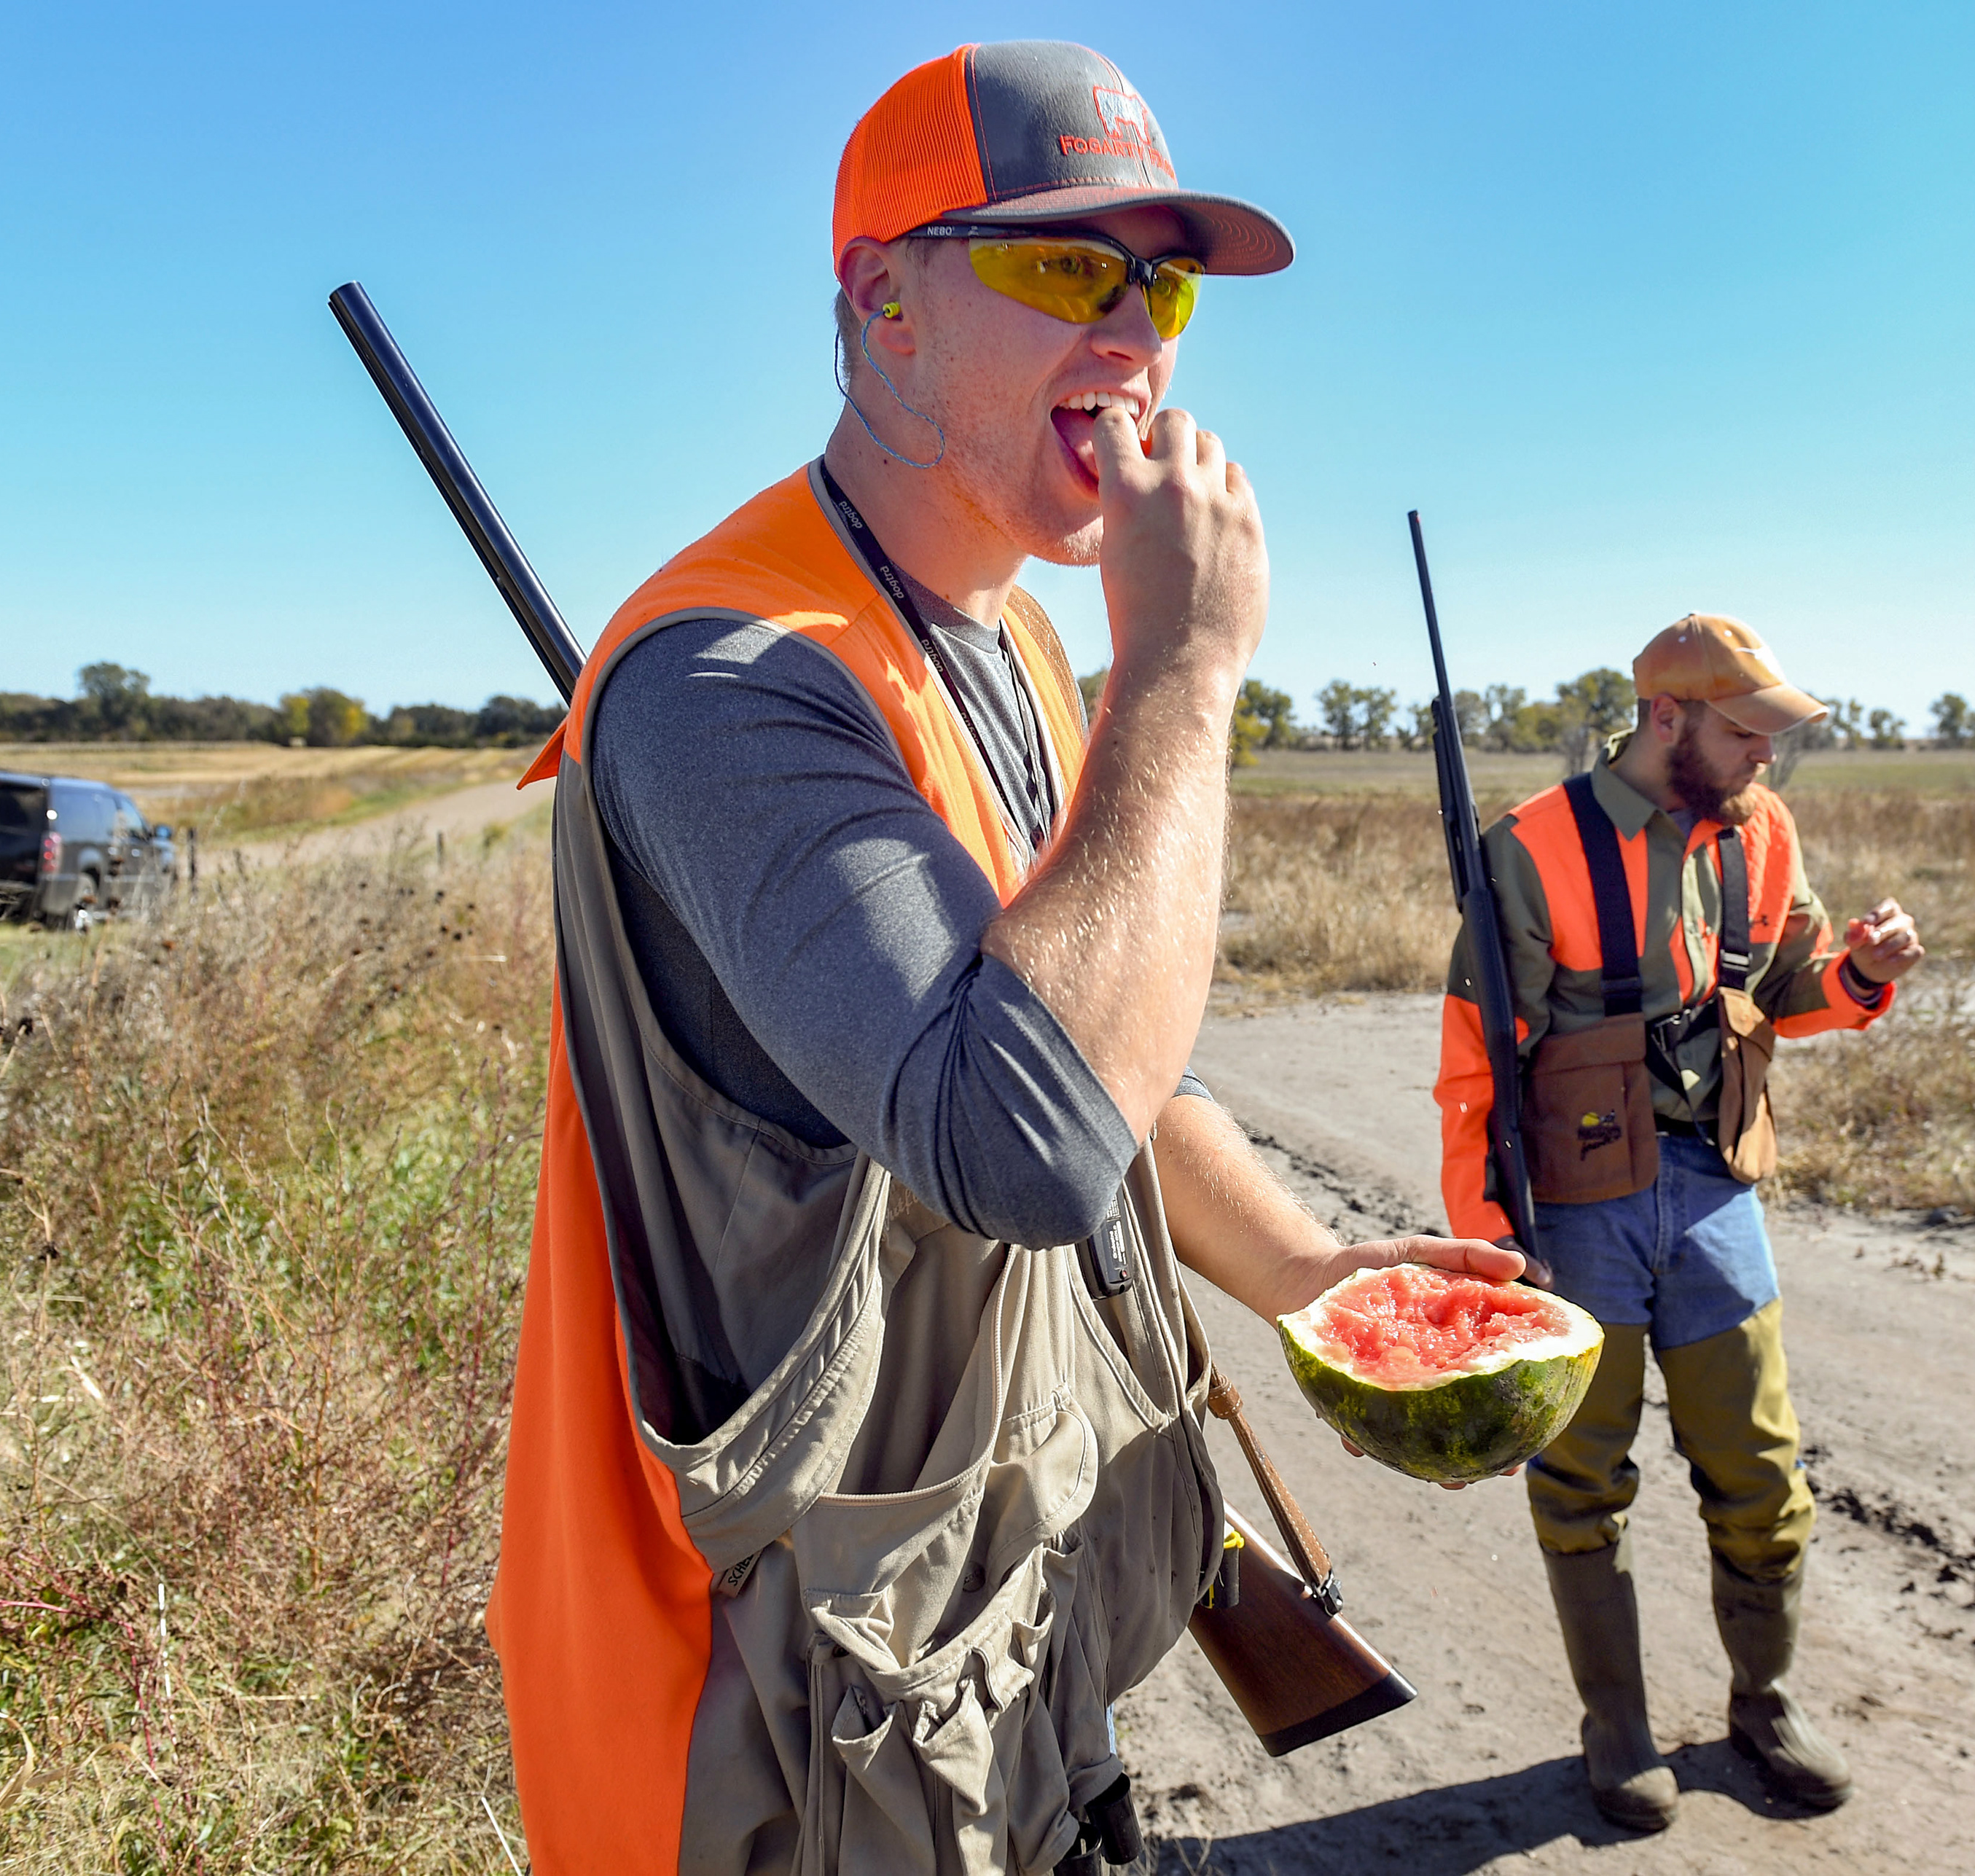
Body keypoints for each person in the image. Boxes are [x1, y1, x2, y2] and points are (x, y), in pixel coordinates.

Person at [487, 42, 1520, 1873]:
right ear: (883, 300)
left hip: (970, 1624)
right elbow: (1026, 1134)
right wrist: (1187, 670)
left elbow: (1117, 1061)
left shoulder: (1027, 651)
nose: (1132, 332)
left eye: (1165, 283)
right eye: (1064, 268)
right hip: (764, 1703)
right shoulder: (727, 684)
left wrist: (1305, 1272)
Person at [1433, 614, 1924, 1832]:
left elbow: (1787, 991)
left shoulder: (1761, 832)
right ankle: (1618, 1726)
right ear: (1667, 719)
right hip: (1582, 1203)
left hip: (1713, 1184)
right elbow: (1474, 1065)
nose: (1768, 755)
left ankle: (1764, 1702)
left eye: (1772, 735)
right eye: (1747, 730)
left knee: (1761, 1469)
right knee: (1582, 1476)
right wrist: (1495, 1247)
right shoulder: (1530, 850)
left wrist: (1861, 973)